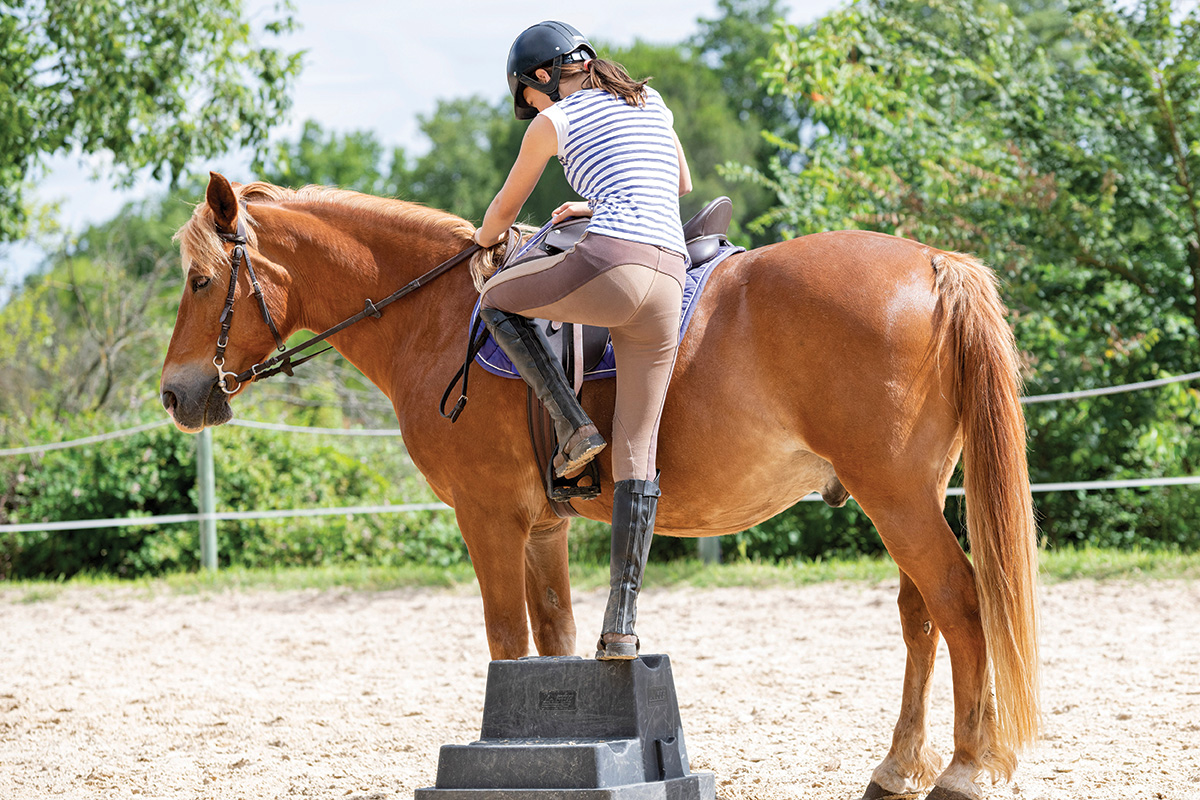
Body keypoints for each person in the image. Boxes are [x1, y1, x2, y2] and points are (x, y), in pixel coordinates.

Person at [472, 20, 692, 660]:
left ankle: (572, 429)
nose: (531, 110)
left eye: (528, 98)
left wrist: (487, 245)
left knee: (495, 300)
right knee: (637, 454)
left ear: (542, 78)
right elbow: (674, 187)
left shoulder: (556, 121)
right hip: (670, 276)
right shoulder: (648, 101)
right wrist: (589, 204)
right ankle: (620, 626)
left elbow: (503, 214)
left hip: (612, 265)